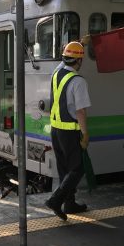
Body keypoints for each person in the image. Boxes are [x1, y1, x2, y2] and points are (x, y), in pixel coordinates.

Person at [45, 40, 91, 220]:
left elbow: (64, 61)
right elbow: (80, 111)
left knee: (65, 169)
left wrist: (77, 44)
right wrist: (85, 134)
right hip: (70, 132)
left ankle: (69, 204)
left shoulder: (56, 74)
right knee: (78, 169)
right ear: (79, 62)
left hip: (56, 130)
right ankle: (56, 201)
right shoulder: (78, 81)